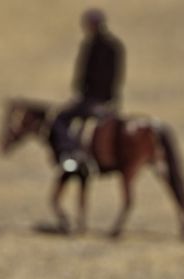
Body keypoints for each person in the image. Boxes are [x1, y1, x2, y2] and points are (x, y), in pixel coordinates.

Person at [49, 8, 125, 174]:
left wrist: (82, 94)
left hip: (91, 100)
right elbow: (117, 76)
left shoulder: (91, 46)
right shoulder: (115, 46)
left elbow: (84, 76)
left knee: (59, 118)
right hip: (109, 100)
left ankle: (70, 153)